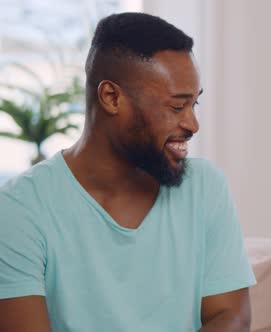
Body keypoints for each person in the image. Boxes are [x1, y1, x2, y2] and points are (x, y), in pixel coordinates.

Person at [0, 12, 255, 331]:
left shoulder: (205, 187)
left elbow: (231, 316)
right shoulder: (18, 210)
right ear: (111, 98)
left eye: (195, 105)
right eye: (176, 107)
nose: (192, 124)